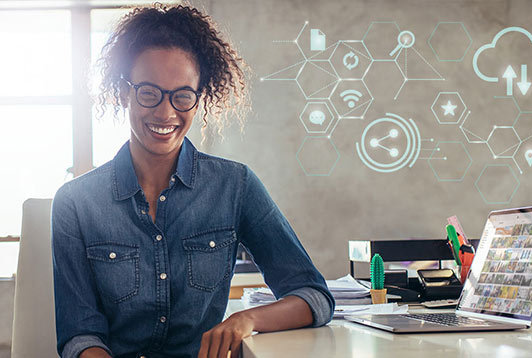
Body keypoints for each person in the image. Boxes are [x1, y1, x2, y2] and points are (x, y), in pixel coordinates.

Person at [51, 4, 334, 358]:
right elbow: (79, 335)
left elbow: (314, 297)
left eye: (182, 96)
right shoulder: (75, 202)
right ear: (124, 92)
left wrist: (246, 320)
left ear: (200, 99)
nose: (166, 112)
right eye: (149, 92)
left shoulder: (236, 185)